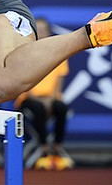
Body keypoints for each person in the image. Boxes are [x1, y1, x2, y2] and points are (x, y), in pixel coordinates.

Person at [17, 17, 74, 171]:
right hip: (29, 99)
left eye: (44, 30)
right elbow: (21, 86)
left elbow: (58, 86)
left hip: (50, 99)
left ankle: (56, 148)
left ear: (49, 33)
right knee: (38, 108)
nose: (41, 33)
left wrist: (51, 99)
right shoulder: (24, 54)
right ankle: (43, 148)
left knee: (61, 107)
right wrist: (38, 99)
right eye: (38, 30)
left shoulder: (59, 55)